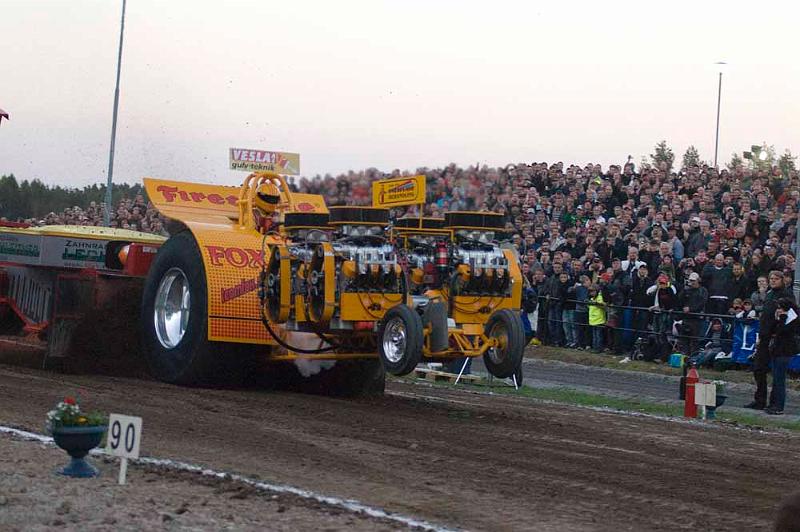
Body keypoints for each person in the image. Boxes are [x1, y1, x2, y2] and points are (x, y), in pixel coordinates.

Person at [745, 271, 794, 411]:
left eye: (776, 279)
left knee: (778, 374)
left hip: (778, 338)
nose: (772, 281)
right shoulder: (770, 294)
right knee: (759, 368)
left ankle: (777, 404)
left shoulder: (787, 295)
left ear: (782, 280)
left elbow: (791, 316)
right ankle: (760, 400)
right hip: (765, 336)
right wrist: (761, 336)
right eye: (771, 278)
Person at [762, 297, 800, 415]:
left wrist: (782, 318)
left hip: (784, 351)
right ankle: (773, 403)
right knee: (775, 379)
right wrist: (777, 318)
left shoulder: (792, 319)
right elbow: (774, 329)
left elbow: (782, 331)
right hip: (777, 350)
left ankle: (779, 406)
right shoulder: (781, 318)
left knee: (780, 379)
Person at [588, 284, 606, 352]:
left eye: (593, 291)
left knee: (599, 335)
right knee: (594, 335)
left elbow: (603, 306)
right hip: (593, 319)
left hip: (599, 319)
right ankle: (594, 347)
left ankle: (599, 348)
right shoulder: (591, 298)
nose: (591, 293)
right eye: (590, 291)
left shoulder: (600, 297)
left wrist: (596, 303)